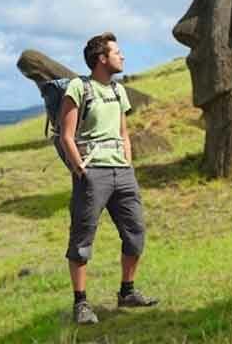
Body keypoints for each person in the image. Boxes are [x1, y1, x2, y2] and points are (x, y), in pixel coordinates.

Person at [60, 32, 157, 325]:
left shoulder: (118, 90)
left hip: (122, 173)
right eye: (117, 52)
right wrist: (81, 170)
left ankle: (127, 292)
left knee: (135, 233)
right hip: (93, 173)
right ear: (102, 58)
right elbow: (66, 135)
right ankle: (81, 304)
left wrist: (127, 163)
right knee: (82, 239)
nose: (122, 56)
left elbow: (124, 132)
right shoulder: (78, 87)